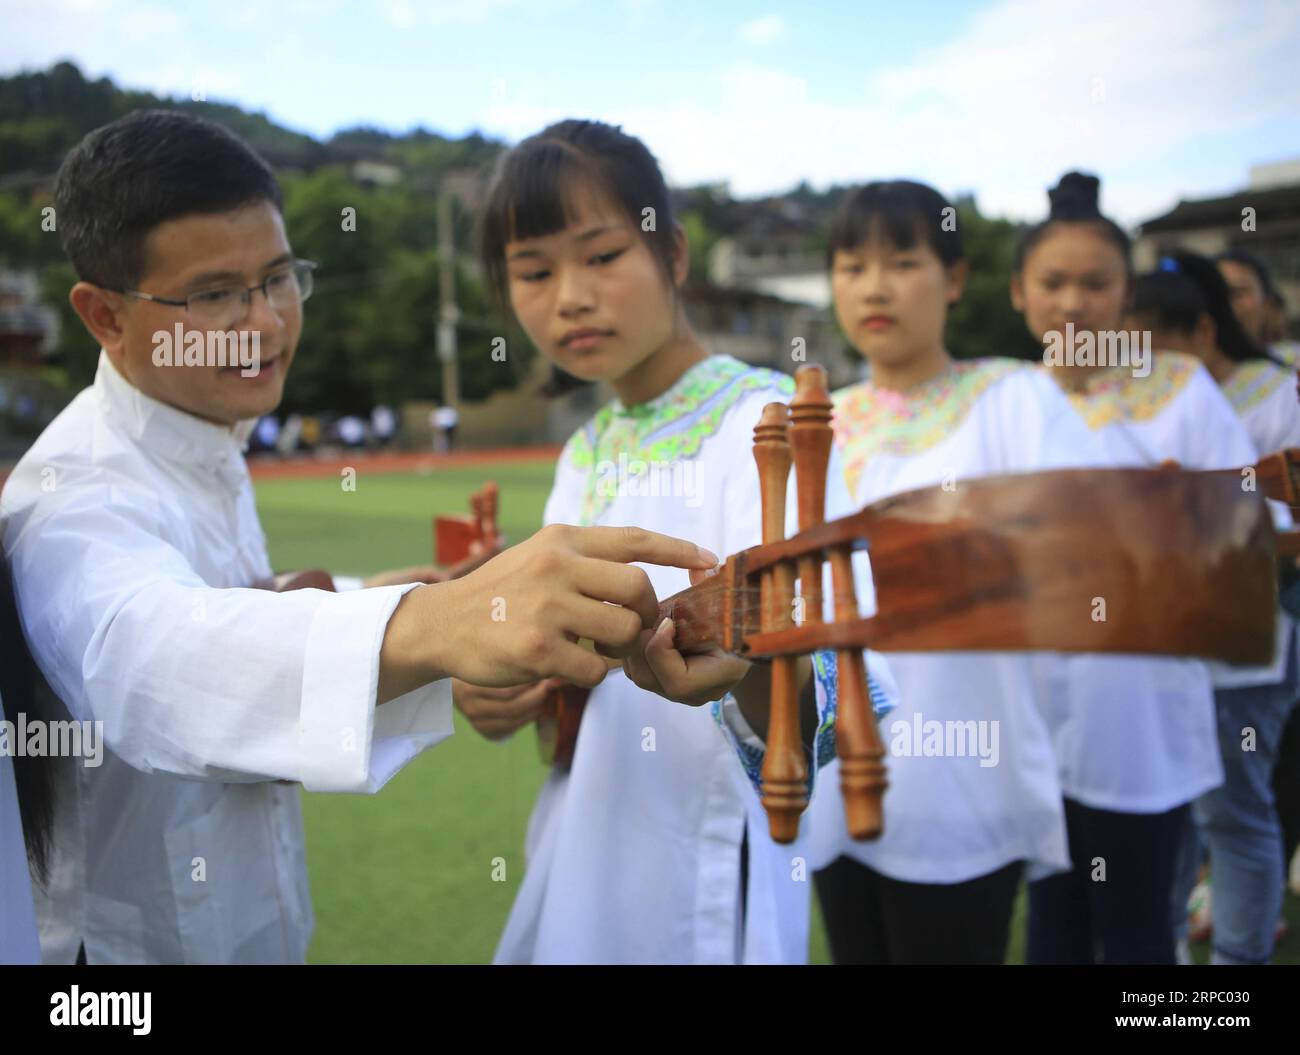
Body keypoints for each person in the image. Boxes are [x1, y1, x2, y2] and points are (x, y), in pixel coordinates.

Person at [0, 110, 717, 965]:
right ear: (104, 316)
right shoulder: (68, 495)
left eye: (277, 277)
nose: (264, 322)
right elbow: (155, 658)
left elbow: (226, 612)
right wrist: (435, 621)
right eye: (215, 295)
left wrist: (379, 616)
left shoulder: (198, 439)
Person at [463, 118, 897, 964]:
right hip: (585, 827)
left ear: (676, 256)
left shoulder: (769, 423)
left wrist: (751, 666)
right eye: (533, 270)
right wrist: (509, 693)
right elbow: (568, 684)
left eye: (602, 255)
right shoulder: (583, 448)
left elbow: (842, 676)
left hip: (706, 853)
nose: (570, 296)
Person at [804, 180, 1105, 965]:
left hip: (966, 771)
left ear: (956, 278)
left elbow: (1082, 552)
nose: (872, 286)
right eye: (850, 266)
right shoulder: (815, 425)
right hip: (836, 779)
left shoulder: (1016, 398)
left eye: (902, 261)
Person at [1013, 172, 1253, 964]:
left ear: (1127, 291)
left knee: (1142, 931)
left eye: (1096, 282)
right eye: (1053, 282)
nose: (1073, 303)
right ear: (1019, 292)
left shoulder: (1180, 389)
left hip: (1142, 719)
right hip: (1032, 717)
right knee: (1053, 927)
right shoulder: (1001, 402)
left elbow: (1257, 538)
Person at [1129, 250, 1299, 964]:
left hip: (1252, 632)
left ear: (1202, 331)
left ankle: (1237, 966)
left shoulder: (1273, 394)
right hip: (1166, 639)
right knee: (1178, 812)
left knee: (1232, 809)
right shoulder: (1148, 399)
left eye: (1153, 349)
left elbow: (1285, 528)